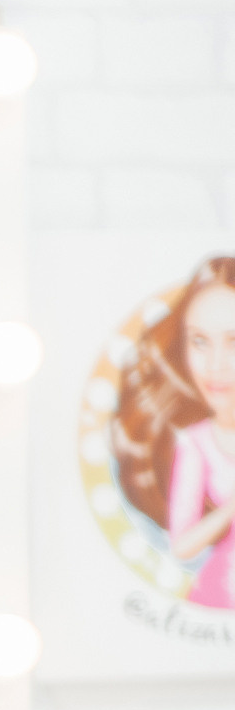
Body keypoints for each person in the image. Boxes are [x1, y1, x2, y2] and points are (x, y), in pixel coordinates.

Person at [114, 256, 235, 608]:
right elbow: (181, 546)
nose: (215, 365)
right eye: (199, 341)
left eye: (234, 341)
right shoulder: (196, 443)